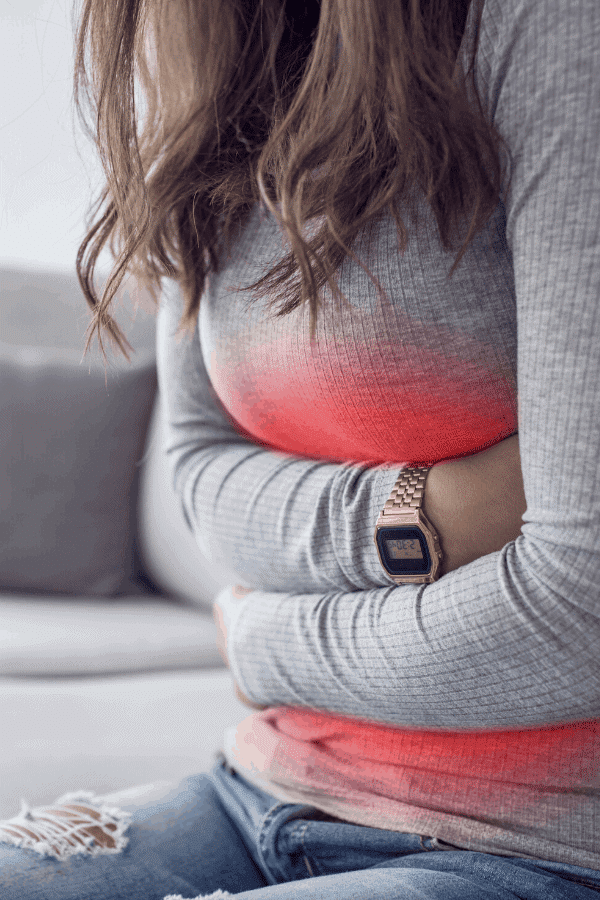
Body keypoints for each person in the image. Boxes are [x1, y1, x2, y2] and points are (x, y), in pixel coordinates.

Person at [2, 0, 600, 896]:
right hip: (260, 791)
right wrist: (430, 514)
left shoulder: (551, 30)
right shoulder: (213, 48)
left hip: (539, 848)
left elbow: (580, 618)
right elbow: (201, 472)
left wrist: (263, 645)